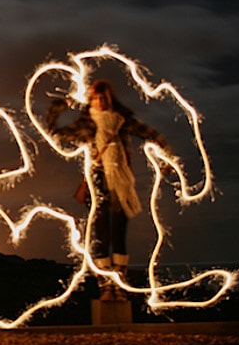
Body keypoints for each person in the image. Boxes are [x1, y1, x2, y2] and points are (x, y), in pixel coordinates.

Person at [46, 79, 170, 301]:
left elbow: (153, 134)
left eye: (103, 97)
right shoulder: (86, 125)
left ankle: (119, 285)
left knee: (119, 235)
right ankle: (105, 287)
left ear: (109, 98)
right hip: (98, 182)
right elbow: (53, 132)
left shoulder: (122, 122)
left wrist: (168, 158)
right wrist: (58, 107)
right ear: (90, 100)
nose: (100, 101)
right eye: (96, 97)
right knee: (102, 235)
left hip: (121, 183)